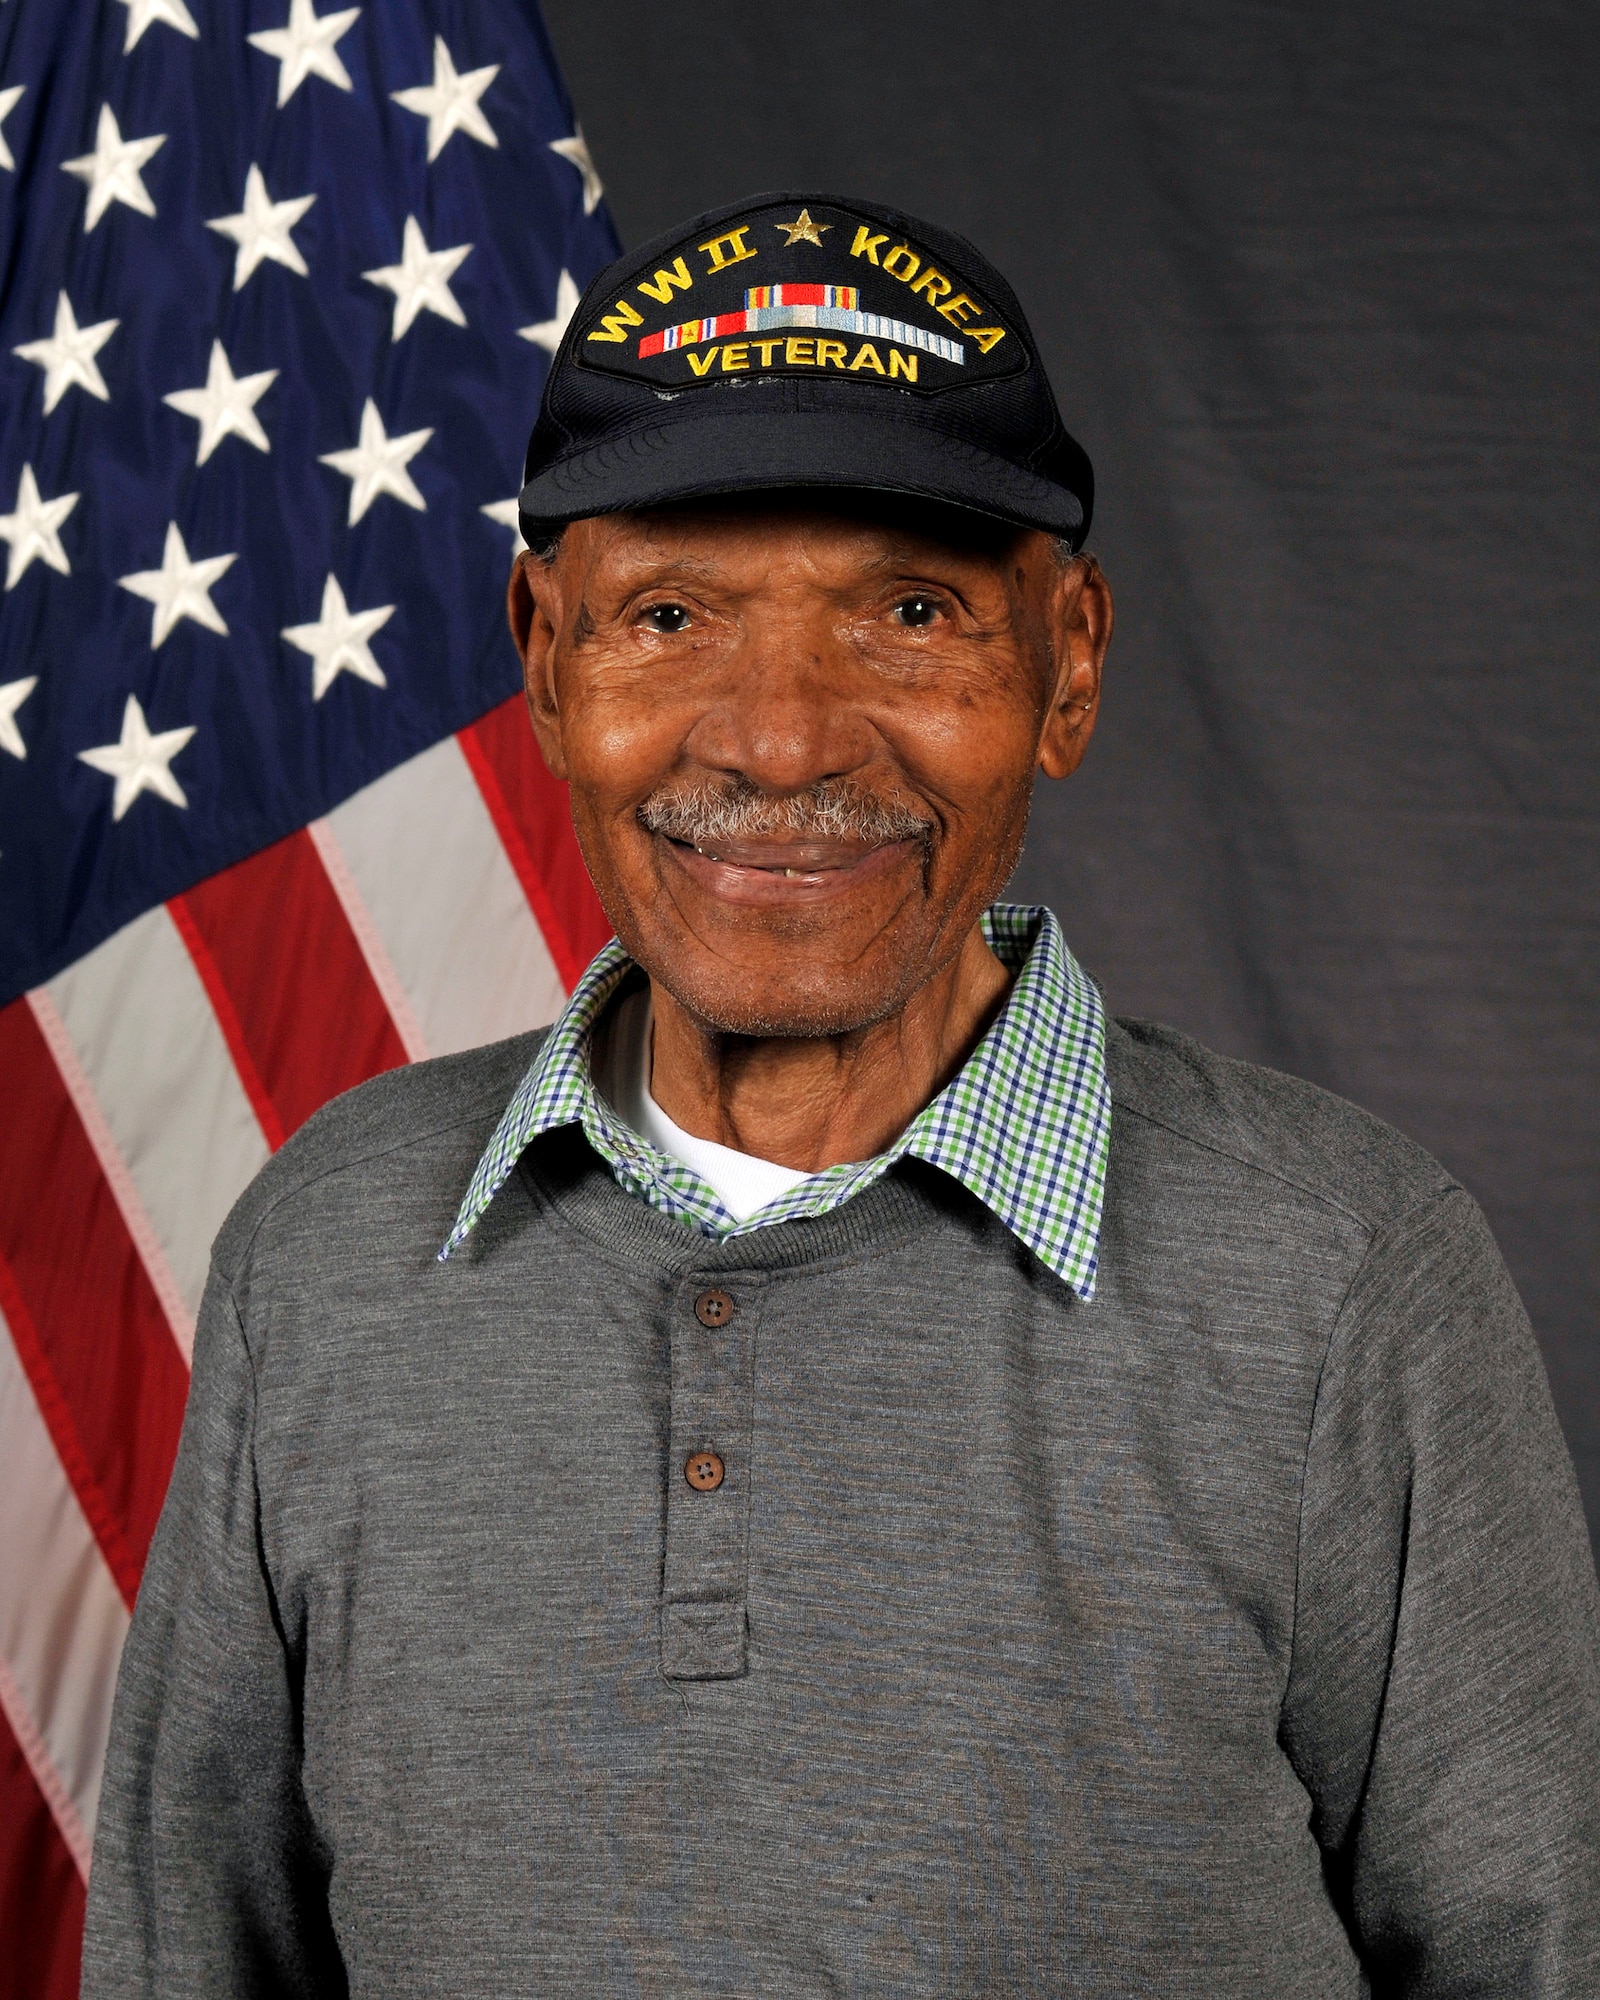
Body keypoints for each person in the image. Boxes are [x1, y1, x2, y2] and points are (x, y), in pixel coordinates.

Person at [83, 194, 1600, 1997]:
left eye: (908, 610)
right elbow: (190, 1957)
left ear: (1072, 661)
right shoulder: (330, 1249)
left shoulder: (1348, 1277)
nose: (783, 739)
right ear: (548, 662)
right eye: (669, 614)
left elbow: (1531, 1957)